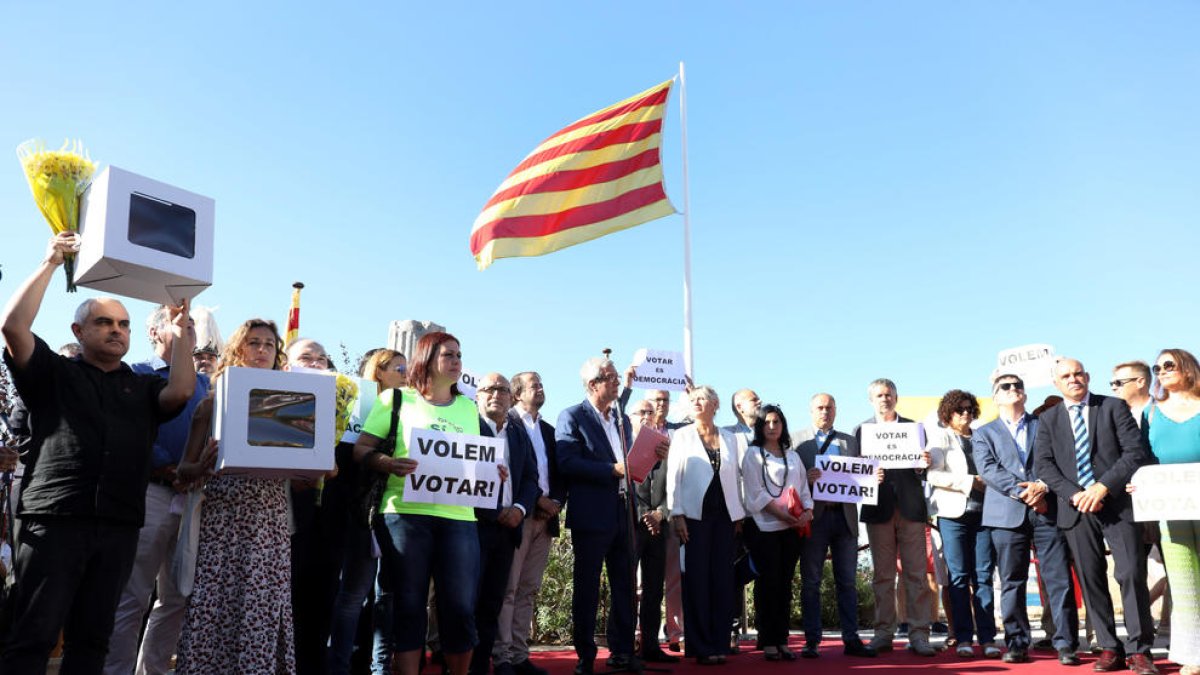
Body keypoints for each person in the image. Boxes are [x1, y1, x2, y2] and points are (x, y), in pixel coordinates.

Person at [0, 232, 195, 673]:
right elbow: (13, 327)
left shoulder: (143, 387)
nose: (117, 331)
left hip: (118, 526)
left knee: (92, 641)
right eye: (105, 323)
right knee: (33, 635)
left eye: (124, 324)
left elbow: (182, 388)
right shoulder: (54, 373)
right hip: (55, 521)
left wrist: (182, 331)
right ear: (78, 331)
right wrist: (51, 262)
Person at [353, 332, 481, 675]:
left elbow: (474, 460)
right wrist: (387, 463)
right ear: (427, 358)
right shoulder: (395, 400)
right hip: (404, 516)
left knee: (460, 608)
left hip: (459, 518)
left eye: (459, 355)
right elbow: (361, 450)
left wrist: (492, 470)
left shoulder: (470, 407)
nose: (457, 361)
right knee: (409, 606)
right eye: (448, 355)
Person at [173, 318, 296, 673]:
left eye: (269, 344)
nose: (261, 350)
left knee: (262, 606)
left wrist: (319, 467)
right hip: (223, 519)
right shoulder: (210, 405)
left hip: (270, 521)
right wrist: (201, 469)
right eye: (253, 342)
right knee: (216, 603)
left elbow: (306, 471)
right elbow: (183, 473)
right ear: (237, 350)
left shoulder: (292, 407)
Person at [104, 306, 211, 675]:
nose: (190, 331)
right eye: (180, 324)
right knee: (132, 595)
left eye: (193, 325)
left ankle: (153, 670)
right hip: (151, 493)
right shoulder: (137, 374)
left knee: (178, 597)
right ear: (154, 333)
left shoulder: (205, 385)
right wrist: (167, 465)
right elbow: (130, 431)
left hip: (195, 497)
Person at [1034, 358, 1158, 675]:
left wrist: (1102, 487)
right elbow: (1044, 466)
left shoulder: (1113, 407)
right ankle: (1108, 647)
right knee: (1091, 579)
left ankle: (1140, 651)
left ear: (1087, 377)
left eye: (1078, 373)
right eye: (1066, 376)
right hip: (1075, 508)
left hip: (1116, 503)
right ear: (1056, 384)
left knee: (1131, 573)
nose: (1073, 379)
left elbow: (1134, 451)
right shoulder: (1048, 419)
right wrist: (1076, 494)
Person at [974, 372, 1080, 665]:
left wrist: (1042, 488)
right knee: (1011, 580)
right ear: (995, 396)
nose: (1013, 389)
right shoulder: (983, 433)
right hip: (1006, 515)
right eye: (1005, 386)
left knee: (1058, 578)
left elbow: (1060, 460)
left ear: (1025, 393)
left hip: (1048, 509)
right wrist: (1023, 492)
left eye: (1018, 385)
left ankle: (1066, 643)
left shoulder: (1044, 424)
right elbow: (989, 470)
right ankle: (1017, 642)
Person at [556, 357, 636, 675]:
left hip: (624, 511)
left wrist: (652, 458)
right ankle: (585, 656)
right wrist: (610, 470)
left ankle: (624, 652)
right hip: (592, 514)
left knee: (626, 586)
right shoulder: (572, 416)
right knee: (587, 588)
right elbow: (566, 462)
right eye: (612, 377)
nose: (618, 382)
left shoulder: (622, 420)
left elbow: (629, 465)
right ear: (593, 383)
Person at [328, 348, 406, 675]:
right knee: (351, 597)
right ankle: (339, 667)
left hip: (397, 514)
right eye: (398, 368)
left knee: (386, 598)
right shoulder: (354, 407)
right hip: (360, 515)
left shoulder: (410, 410)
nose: (407, 374)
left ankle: (377, 667)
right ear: (378, 372)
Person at [855, 378, 936, 656]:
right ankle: (883, 634)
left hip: (911, 509)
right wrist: (868, 475)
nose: (884, 399)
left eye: (888, 394)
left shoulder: (914, 429)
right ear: (871, 400)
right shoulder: (862, 431)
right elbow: (854, 474)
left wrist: (922, 465)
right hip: (878, 510)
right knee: (883, 577)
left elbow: (924, 472)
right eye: (879, 395)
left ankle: (919, 635)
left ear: (896, 397)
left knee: (916, 575)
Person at [666, 385, 746, 666]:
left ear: (716, 404)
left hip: (725, 517)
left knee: (722, 581)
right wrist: (676, 514)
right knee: (696, 580)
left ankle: (719, 643)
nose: (697, 402)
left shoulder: (730, 437)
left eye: (702, 398)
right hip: (693, 518)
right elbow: (673, 477)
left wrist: (739, 513)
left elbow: (737, 477)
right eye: (693, 399)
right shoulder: (682, 435)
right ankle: (700, 646)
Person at [793, 393, 876, 658]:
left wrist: (875, 476)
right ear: (810, 410)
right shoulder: (797, 442)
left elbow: (862, 476)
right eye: (820, 407)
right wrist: (805, 478)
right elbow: (787, 480)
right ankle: (812, 641)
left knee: (848, 583)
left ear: (836, 411)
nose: (825, 412)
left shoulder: (850, 441)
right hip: (813, 519)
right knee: (811, 582)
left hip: (845, 518)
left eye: (829, 407)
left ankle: (851, 640)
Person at [494, 371, 564, 675]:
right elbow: (520, 471)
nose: (540, 388)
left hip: (545, 520)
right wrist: (536, 500)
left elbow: (558, 473)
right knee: (508, 588)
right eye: (534, 385)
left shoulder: (548, 429)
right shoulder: (507, 423)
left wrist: (555, 502)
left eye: (542, 384)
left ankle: (521, 655)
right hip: (519, 514)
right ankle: (502, 656)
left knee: (528, 589)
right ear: (517, 392)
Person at [471, 373, 539, 675]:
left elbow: (529, 477)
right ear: (477, 395)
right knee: (467, 602)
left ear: (511, 397)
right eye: (488, 389)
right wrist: (493, 509)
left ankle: (484, 665)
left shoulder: (517, 431)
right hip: (474, 527)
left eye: (502, 389)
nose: (496, 394)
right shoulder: (468, 426)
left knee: (492, 602)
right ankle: (461, 665)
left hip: (509, 528)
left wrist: (521, 509)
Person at [284, 337, 343, 674]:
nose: (316, 363)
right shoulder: (271, 399)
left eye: (322, 359)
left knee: (322, 604)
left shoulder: (343, 403)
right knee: (289, 600)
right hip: (287, 514)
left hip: (329, 519)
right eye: (306, 357)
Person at [926, 390, 999, 659]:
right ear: (948, 414)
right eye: (959, 410)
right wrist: (970, 481)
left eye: (969, 408)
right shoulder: (939, 438)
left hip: (985, 515)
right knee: (958, 577)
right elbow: (933, 474)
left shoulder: (983, 436)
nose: (965, 413)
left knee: (983, 576)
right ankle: (964, 637)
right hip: (952, 515)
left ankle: (988, 637)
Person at [1142, 350, 1200, 675]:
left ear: (1187, 368)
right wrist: (1139, 483)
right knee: (1184, 581)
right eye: (1157, 367)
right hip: (1170, 507)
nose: (1161, 371)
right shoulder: (1151, 412)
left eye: (1168, 365)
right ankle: (1193, 655)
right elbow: (1142, 457)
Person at [740, 404, 812, 661]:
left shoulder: (791, 455)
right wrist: (784, 516)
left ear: (783, 425)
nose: (772, 427)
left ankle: (782, 639)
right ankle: (767, 639)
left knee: (784, 584)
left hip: (792, 529)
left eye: (776, 422)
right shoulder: (753, 454)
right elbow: (755, 493)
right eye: (767, 422)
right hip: (764, 528)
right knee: (768, 583)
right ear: (760, 426)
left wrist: (807, 512)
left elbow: (803, 487)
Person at [630, 396, 680, 664]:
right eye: (641, 412)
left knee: (653, 590)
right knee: (627, 588)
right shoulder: (621, 446)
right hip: (630, 527)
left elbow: (674, 487)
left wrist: (660, 513)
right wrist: (642, 516)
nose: (647, 416)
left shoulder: (665, 451)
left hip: (658, 528)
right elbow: (624, 488)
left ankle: (650, 645)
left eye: (650, 412)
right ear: (630, 418)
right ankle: (625, 647)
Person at [1111, 361, 1154, 426]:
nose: (1113, 388)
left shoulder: (1165, 410)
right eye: (1111, 384)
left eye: (1118, 383)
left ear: (1140, 382)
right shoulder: (1112, 416)